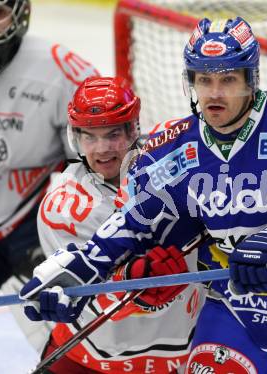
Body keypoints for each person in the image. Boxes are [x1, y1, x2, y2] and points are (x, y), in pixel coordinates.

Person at [20, 17, 267, 374]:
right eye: (203, 80)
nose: (214, 94)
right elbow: (136, 223)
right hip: (238, 313)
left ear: (251, 79)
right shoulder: (174, 150)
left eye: (228, 80)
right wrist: (83, 267)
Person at [35, 76, 205, 373]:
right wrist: (129, 281)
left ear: (133, 129)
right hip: (88, 353)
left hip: (181, 351)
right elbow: (79, 292)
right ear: (75, 137)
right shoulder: (62, 207)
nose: (102, 149)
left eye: (113, 134)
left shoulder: (176, 161)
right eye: (89, 136)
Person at [0, 0, 98, 351]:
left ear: (20, 13)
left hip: (33, 221)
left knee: (59, 328)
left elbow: (105, 162)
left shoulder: (62, 70)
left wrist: (70, 229)